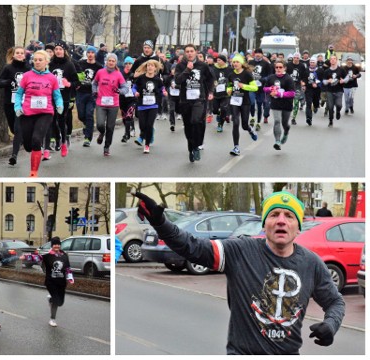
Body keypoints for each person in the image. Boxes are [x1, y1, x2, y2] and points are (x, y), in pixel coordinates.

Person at [133, 191, 345, 355]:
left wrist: (331, 324)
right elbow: (193, 247)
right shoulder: (240, 251)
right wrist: (161, 223)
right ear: (265, 225)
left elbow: (336, 302)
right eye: (274, 215)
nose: (281, 220)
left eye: (289, 216)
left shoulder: (312, 263)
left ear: (297, 227)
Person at [14, 50, 63, 177]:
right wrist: (17, 107)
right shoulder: (27, 76)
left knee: (36, 140)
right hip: (28, 113)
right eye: (35, 60)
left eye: (40, 60)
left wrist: (59, 105)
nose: (37, 62)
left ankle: (33, 172)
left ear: (47, 61)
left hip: (45, 113)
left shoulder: (52, 78)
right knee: (28, 146)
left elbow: (57, 95)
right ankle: (34, 149)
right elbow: (19, 94)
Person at [174, 44, 214, 162]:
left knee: (197, 121)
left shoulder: (203, 66)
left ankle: (197, 146)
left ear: (196, 52)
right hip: (185, 101)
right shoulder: (181, 66)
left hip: (199, 99)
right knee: (188, 126)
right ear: (184, 53)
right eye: (187, 51)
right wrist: (187, 70)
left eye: (192, 51)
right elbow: (177, 80)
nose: (190, 53)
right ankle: (191, 148)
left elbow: (210, 79)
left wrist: (210, 91)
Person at [21, 237, 74, 327]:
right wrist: (26, 257)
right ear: (52, 246)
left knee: (60, 302)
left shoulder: (64, 256)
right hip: (51, 281)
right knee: (56, 301)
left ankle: (50, 299)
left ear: (60, 245)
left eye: (58, 244)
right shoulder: (48, 256)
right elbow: (37, 257)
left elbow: (68, 268)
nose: (56, 246)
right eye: (54, 244)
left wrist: (70, 277)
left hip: (61, 282)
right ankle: (52, 319)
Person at [0, 46, 30, 166]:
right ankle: (21, 139)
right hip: (9, 102)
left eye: (22, 53)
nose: (20, 55)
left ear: (24, 55)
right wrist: (8, 82)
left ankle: (14, 156)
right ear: (13, 55)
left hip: (23, 103)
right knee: (13, 128)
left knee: (18, 127)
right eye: (18, 53)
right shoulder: (8, 68)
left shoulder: (28, 69)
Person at [92, 53, 128, 156]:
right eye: (109, 60)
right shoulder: (100, 72)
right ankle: (101, 132)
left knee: (110, 127)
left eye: (113, 61)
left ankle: (106, 147)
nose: (111, 62)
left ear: (115, 63)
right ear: (106, 62)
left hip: (113, 104)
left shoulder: (118, 74)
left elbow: (125, 88)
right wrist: (94, 91)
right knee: (99, 124)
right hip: (101, 103)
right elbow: (94, 83)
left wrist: (119, 91)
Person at [48, 40, 78, 158]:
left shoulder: (69, 65)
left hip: (64, 96)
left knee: (61, 120)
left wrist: (69, 84)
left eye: (60, 49)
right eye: (56, 49)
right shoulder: (50, 64)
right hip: (51, 96)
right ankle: (57, 138)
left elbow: (76, 81)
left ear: (64, 51)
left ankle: (64, 142)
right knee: (51, 119)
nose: (58, 51)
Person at [226, 54, 258, 156]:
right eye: (234, 62)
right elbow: (229, 86)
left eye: (237, 62)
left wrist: (243, 86)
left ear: (241, 63)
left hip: (245, 101)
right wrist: (229, 90)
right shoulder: (231, 75)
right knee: (235, 123)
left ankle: (250, 130)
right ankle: (236, 147)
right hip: (234, 100)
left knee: (244, 125)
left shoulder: (247, 74)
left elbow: (255, 88)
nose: (235, 64)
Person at [132, 59, 166, 154]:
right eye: (148, 65)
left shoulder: (157, 79)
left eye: (152, 65)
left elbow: (162, 88)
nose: (150, 67)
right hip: (142, 105)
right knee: (142, 126)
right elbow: (134, 87)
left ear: (155, 68)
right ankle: (145, 134)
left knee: (149, 125)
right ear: (146, 68)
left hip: (153, 106)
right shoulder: (141, 78)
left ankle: (147, 145)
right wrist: (136, 93)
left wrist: (164, 92)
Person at [263, 60, 295, 150]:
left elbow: (292, 93)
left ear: (284, 68)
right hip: (275, 103)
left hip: (287, 104)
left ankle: (286, 132)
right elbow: (264, 88)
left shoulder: (288, 79)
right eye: (276, 67)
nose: (278, 69)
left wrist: (279, 94)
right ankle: (277, 141)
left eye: (280, 67)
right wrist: (270, 88)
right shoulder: (271, 78)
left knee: (285, 123)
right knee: (277, 121)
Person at [75, 46, 103, 147]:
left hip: (92, 94)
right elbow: (75, 75)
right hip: (81, 92)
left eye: (92, 52)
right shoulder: (80, 64)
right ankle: (87, 125)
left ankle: (87, 138)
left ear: (95, 54)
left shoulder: (99, 67)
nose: (90, 54)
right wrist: (76, 84)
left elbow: (101, 80)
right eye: (89, 52)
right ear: (86, 54)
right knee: (81, 115)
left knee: (89, 114)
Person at [248, 49, 272, 129]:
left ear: (262, 54)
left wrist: (264, 79)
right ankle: (252, 117)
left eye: (259, 53)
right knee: (251, 102)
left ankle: (258, 122)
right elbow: (246, 73)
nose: (257, 55)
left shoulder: (266, 64)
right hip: (252, 86)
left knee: (259, 104)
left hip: (261, 88)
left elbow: (270, 75)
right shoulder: (251, 63)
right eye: (256, 53)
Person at [321, 55, 346, 128]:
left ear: (336, 60)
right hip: (329, 91)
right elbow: (324, 81)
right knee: (330, 107)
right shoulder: (327, 71)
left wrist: (343, 81)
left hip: (339, 90)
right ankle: (330, 120)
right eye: (331, 59)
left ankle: (338, 112)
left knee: (339, 105)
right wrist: (328, 81)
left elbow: (346, 78)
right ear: (330, 61)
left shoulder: (341, 70)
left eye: (334, 59)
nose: (332, 60)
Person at [210, 54, 232, 133]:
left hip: (225, 93)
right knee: (215, 110)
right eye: (217, 60)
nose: (218, 61)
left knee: (223, 108)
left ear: (224, 61)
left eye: (220, 60)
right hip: (216, 92)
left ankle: (220, 125)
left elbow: (231, 79)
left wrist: (229, 87)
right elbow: (210, 78)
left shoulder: (229, 69)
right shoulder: (213, 68)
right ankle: (218, 114)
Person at [119, 56, 137, 142]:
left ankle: (126, 135)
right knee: (124, 118)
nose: (128, 65)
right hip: (122, 99)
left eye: (130, 63)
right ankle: (130, 128)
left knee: (129, 116)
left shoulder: (134, 74)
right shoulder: (120, 74)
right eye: (126, 63)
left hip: (132, 99)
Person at [287, 53, 307, 125]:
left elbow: (305, 75)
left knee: (296, 102)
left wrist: (303, 83)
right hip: (289, 86)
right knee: (288, 102)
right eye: (294, 58)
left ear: (299, 59)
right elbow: (284, 74)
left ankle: (293, 118)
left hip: (297, 86)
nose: (296, 59)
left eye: (297, 58)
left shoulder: (302, 66)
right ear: (293, 58)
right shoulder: (288, 65)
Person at [303, 57, 323, 126]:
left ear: (316, 63)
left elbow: (322, 80)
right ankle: (309, 118)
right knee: (308, 103)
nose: (312, 63)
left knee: (316, 103)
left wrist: (317, 84)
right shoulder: (306, 70)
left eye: (313, 62)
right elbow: (304, 79)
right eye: (311, 62)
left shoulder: (320, 70)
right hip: (308, 89)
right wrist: (303, 84)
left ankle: (316, 106)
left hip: (317, 90)